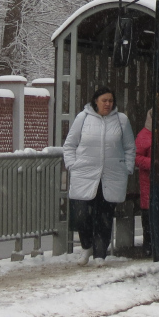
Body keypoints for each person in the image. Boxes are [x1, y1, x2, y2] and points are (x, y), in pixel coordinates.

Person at [63, 87, 135, 262]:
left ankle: (100, 254)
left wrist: (127, 168)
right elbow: (70, 144)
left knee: (104, 216)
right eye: (104, 101)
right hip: (84, 174)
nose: (108, 104)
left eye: (110, 101)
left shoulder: (121, 120)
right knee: (81, 215)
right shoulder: (83, 118)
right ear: (96, 101)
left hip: (111, 176)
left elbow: (129, 147)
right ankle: (87, 247)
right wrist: (72, 165)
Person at [135, 109, 153, 249]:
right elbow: (136, 157)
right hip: (149, 181)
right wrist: (153, 163)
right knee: (148, 213)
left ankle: (151, 244)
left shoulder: (146, 135)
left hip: (155, 181)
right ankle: (149, 244)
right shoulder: (144, 136)